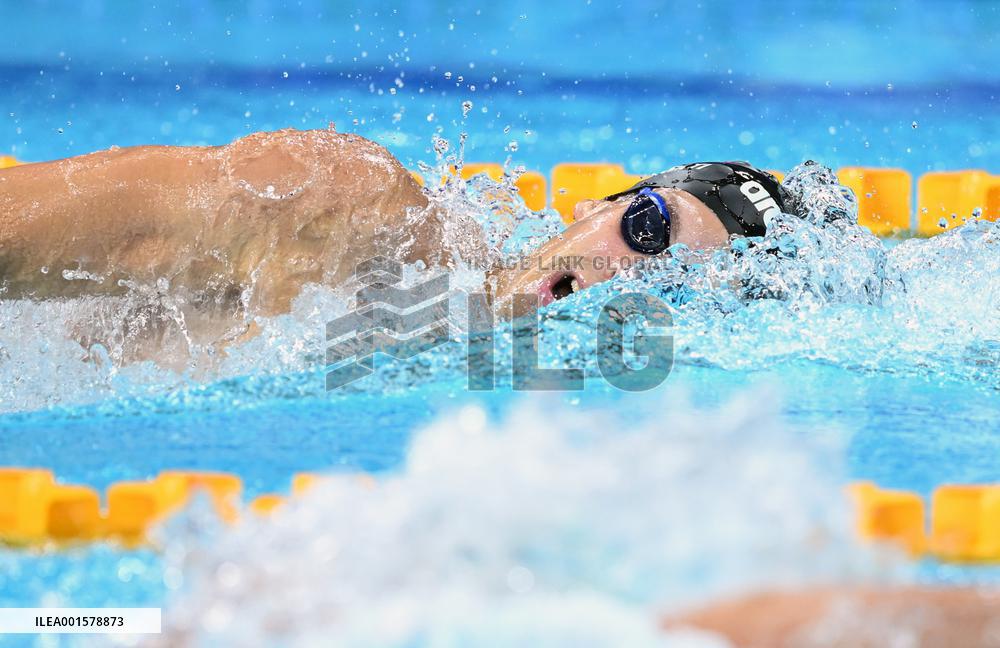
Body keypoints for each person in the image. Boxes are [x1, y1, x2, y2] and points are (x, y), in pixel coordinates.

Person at [0, 128, 785, 353]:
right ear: (594, 206)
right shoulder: (352, 201)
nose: (614, 278)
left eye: (667, 290)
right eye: (647, 230)